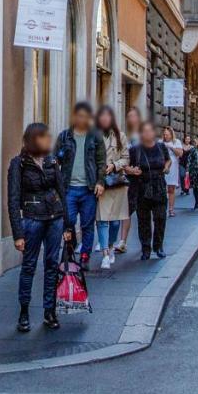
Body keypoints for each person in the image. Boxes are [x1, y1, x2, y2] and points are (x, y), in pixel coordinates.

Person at [7, 123, 72, 333]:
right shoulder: (18, 164)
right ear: (34, 139)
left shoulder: (52, 161)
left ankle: (49, 311)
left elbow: (61, 192)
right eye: (44, 137)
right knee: (29, 266)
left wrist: (67, 225)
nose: (48, 140)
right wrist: (18, 234)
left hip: (55, 218)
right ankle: (24, 312)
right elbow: (13, 199)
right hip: (32, 219)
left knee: (52, 265)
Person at [54, 102, 107, 268]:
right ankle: (70, 252)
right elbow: (56, 160)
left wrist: (100, 182)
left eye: (85, 116)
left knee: (87, 224)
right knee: (67, 222)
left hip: (88, 188)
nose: (81, 119)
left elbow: (101, 162)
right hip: (68, 188)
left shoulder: (95, 137)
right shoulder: (64, 137)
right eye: (79, 115)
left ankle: (85, 256)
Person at [94, 105, 130, 270]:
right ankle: (105, 254)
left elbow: (126, 159)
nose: (105, 120)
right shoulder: (94, 135)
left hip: (116, 183)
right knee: (102, 220)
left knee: (115, 221)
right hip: (100, 182)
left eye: (108, 117)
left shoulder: (120, 136)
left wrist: (114, 165)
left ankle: (110, 245)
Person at [127, 121, 170, 259]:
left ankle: (158, 246)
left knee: (160, 218)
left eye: (149, 131)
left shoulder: (161, 147)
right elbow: (126, 166)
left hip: (159, 187)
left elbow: (168, 160)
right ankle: (145, 248)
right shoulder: (135, 150)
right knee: (143, 221)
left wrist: (167, 167)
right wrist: (132, 171)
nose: (147, 134)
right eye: (144, 131)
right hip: (142, 188)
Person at [119, 107, 142, 253]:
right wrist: (128, 169)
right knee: (126, 211)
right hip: (130, 180)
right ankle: (123, 241)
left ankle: (145, 242)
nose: (130, 119)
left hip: (143, 180)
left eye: (133, 116)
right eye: (129, 116)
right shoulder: (123, 136)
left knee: (144, 213)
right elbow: (120, 157)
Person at [161, 125, 185, 217]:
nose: (165, 136)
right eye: (164, 134)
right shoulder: (160, 142)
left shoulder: (176, 142)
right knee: (162, 188)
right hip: (163, 166)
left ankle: (171, 209)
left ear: (171, 134)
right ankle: (163, 208)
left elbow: (180, 154)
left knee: (171, 188)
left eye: (167, 134)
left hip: (173, 167)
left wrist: (171, 147)